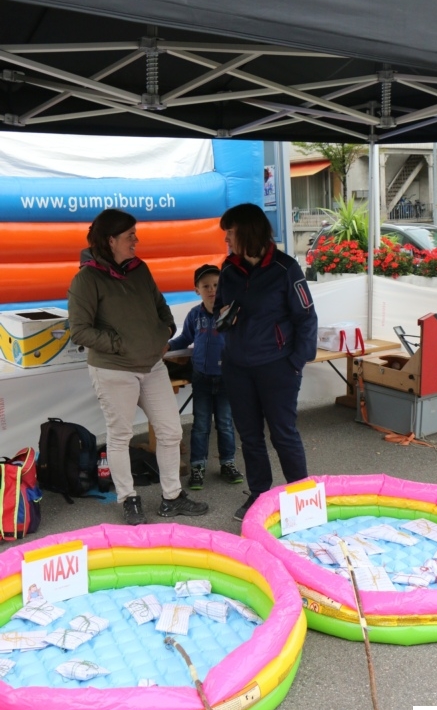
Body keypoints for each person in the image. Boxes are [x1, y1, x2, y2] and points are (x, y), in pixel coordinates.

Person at [67, 209, 208, 525]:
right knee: (120, 435)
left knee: (170, 431)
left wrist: (165, 331)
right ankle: (128, 498)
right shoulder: (86, 280)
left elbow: (160, 307)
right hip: (114, 370)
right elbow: (79, 331)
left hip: (152, 366)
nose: (136, 240)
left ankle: (172, 497)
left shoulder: (140, 269)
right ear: (111, 240)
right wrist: (121, 344)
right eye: (130, 235)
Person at [214, 202, 318, 521]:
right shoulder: (228, 269)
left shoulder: (286, 269)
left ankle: (302, 501)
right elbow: (218, 309)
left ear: (248, 231)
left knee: (283, 434)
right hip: (237, 368)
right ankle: (259, 495)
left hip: (278, 367)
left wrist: (296, 362)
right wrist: (223, 317)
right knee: (250, 437)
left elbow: (307, 318)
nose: (226, 240)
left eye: (230, 233)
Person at [168, 264, 244, 490]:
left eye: (216, 285)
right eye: (206, 286)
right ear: (197, 290)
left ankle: (228, 464)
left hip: (226, 379)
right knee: (200, 425)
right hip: (201, 379)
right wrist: (167, 346)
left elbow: (243, 340)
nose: (212, 290)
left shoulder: (232, 313)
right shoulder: (194, 315)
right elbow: (184, 338)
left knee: (226, 424)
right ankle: (197, 467)